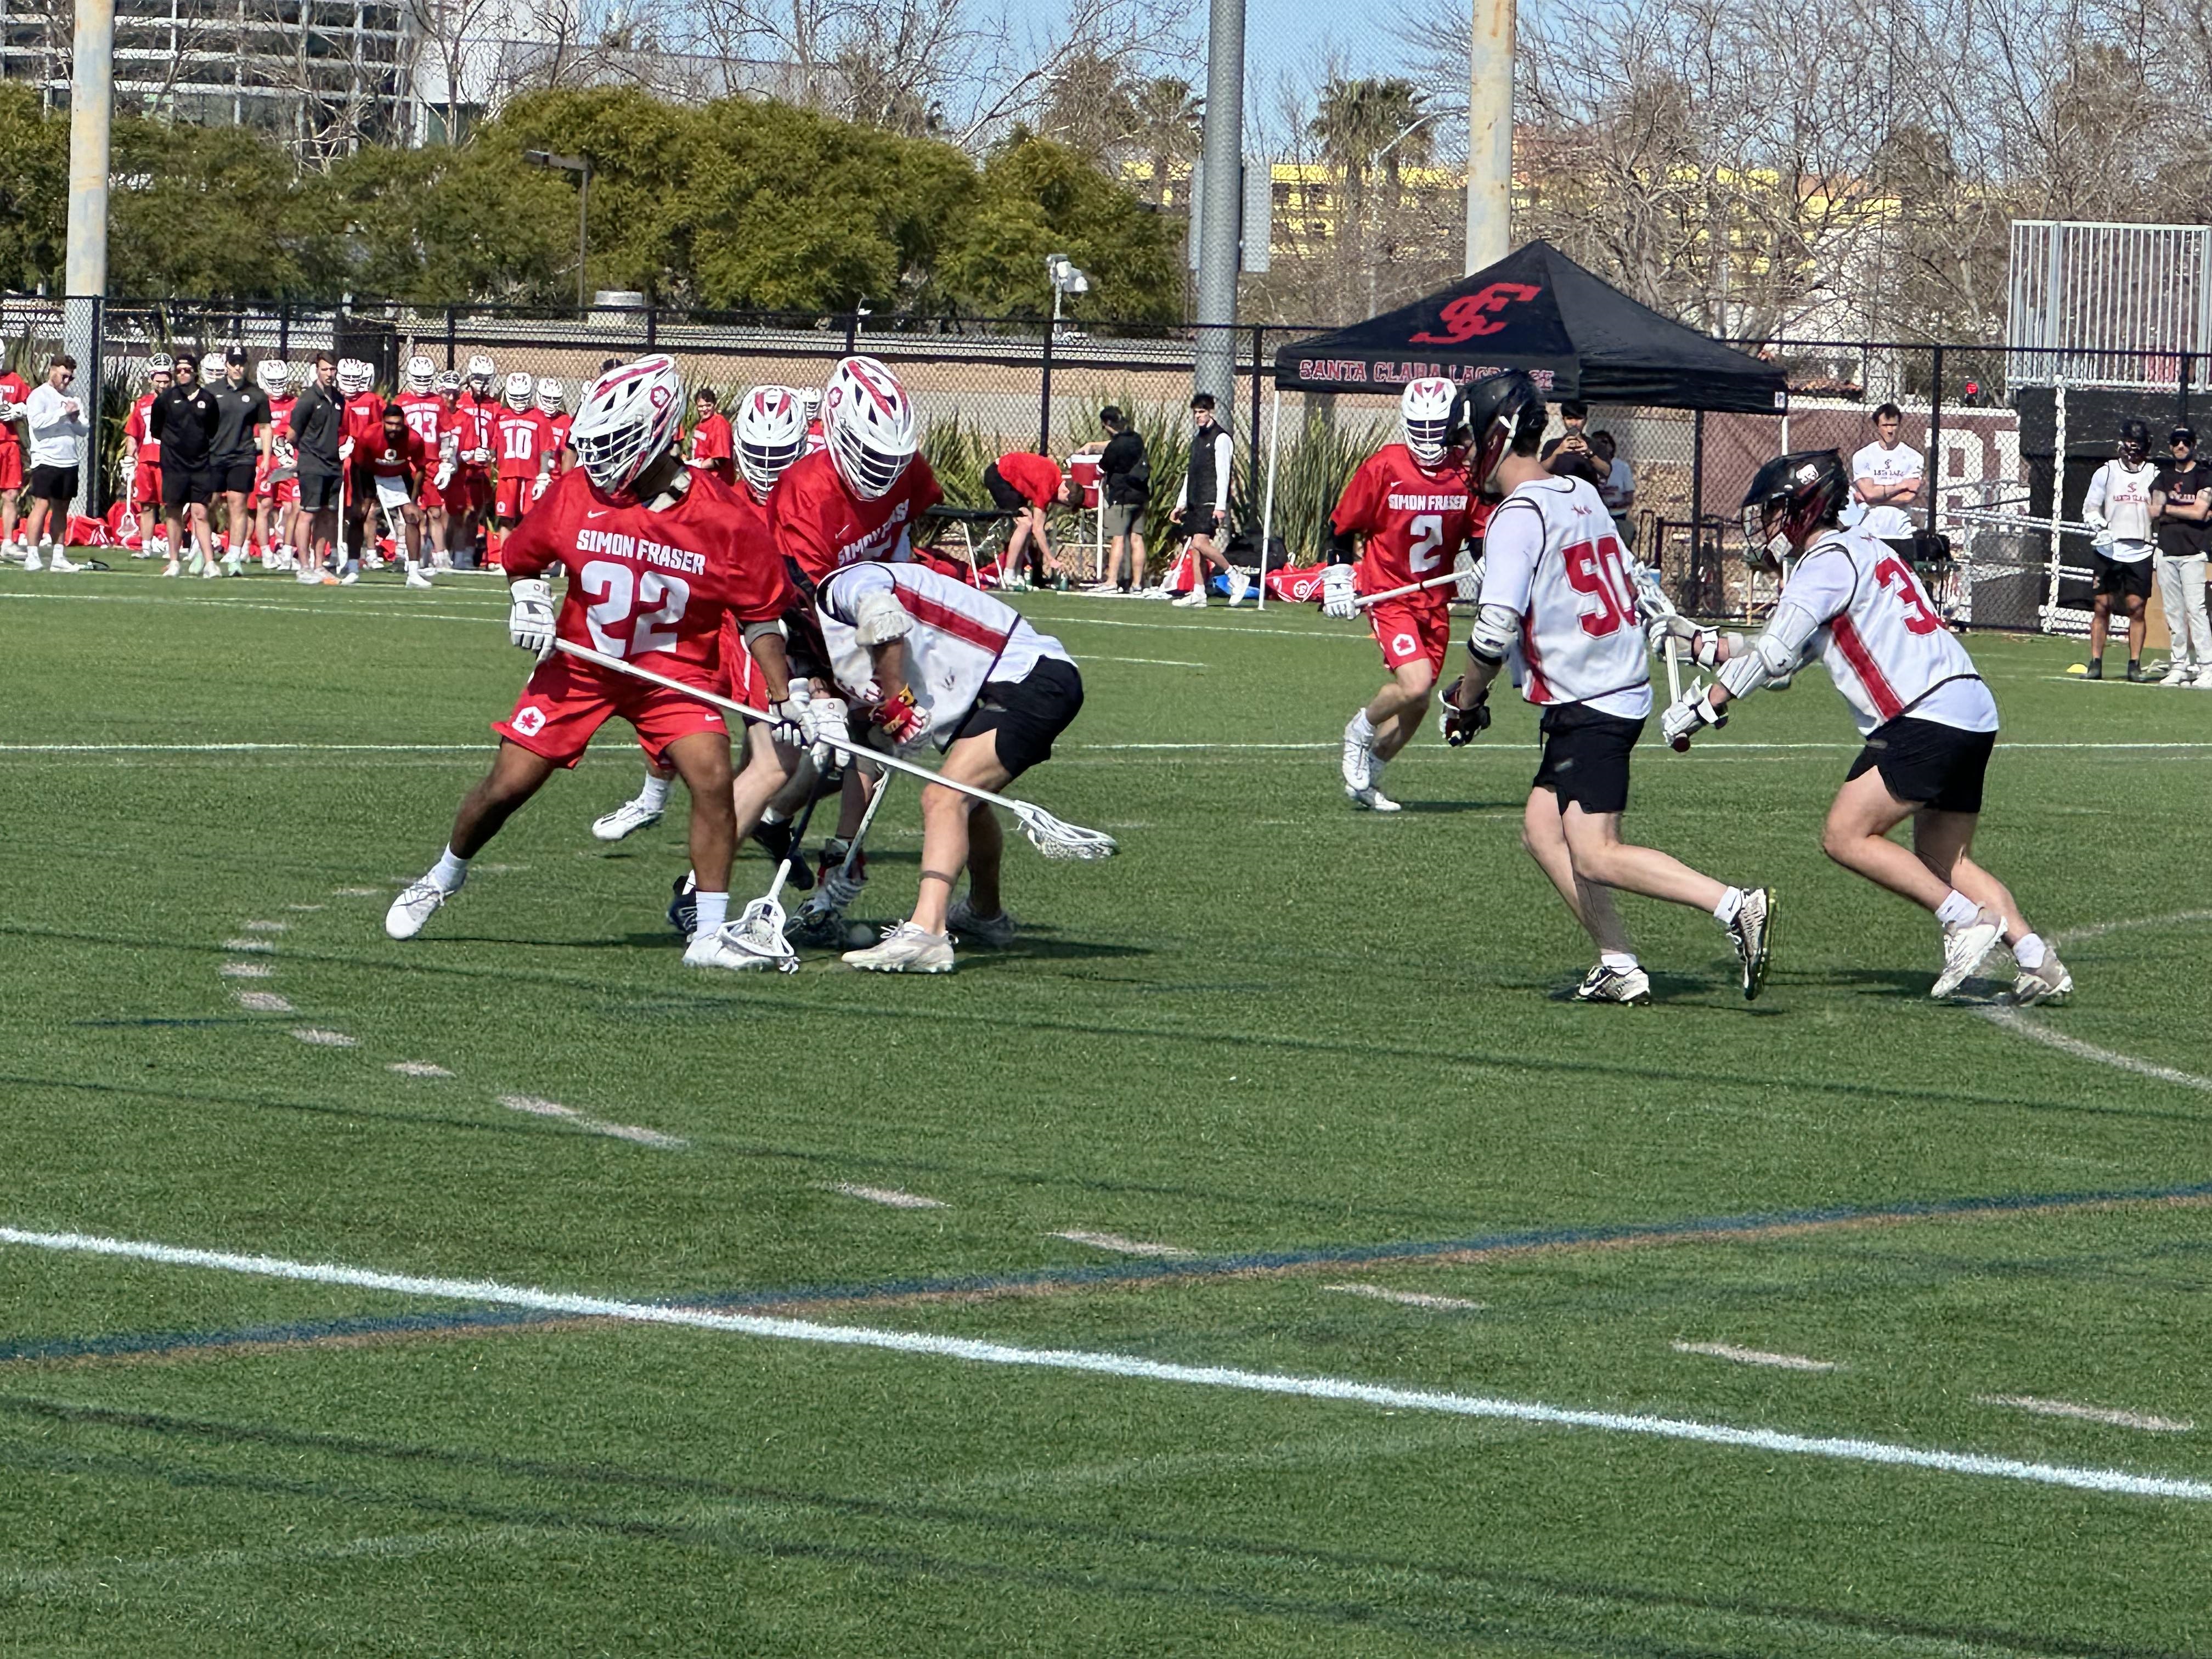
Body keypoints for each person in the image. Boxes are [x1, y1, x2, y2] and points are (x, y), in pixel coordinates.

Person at [385, 355, 799, 973]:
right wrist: (529, 602)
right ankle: (444, 875)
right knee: (508, 786)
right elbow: (524, 558)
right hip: (583, 664)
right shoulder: (576, 492)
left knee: (713, 778)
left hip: (672, 673)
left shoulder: (724, 517)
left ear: (657, 435)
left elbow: (761, 616)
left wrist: (784, 697)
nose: (601, 458)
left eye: (616, 443)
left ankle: (708, 934)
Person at [1661, 450, 2069, 1003]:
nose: (1766, 526)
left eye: (1775, 511)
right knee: (1946, 860)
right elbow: (1788, 656)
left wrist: (1703, 706)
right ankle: (2036, 958)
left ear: (1804, 509)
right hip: (1969, 709)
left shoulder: (1825, 562)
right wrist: (1703, 645)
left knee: (1845, 834)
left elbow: (1777, 653)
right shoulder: (1865, 550)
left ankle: (1963, 921)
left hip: (1923, 713)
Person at [1435, 371, 1774, 1006]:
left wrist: (1468, 700)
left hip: (1593, 699)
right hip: (1601, 689)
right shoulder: (1580, 493)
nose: (1463, 454)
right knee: (1542, 830)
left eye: (1469, 439)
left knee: (1596, 853)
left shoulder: (1517, 515)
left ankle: (1734, 905)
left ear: (1496, 435)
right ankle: (1618, 962)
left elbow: (1494, 631)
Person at [820, 560, 1085, 973]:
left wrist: (895, 701)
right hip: (1020, 679)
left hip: (1033, 679)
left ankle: (927, 933)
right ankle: (985, 915)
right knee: (970, 804)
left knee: (944, 798)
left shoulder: (846, 586)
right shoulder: (844, 603)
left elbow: (885, 621)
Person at [594, 382, 814, 850]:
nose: (769, 464)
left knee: (776, 753)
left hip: (764, 632)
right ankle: (655, 800)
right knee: (675, 713)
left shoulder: (807, 498)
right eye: (759, 451)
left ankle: (742, 831)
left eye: (780, 452)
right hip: (710, 625)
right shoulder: (718, 496)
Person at [1323, 377, 1475, 812]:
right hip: (1390, 591)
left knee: (1419, 703)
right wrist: (1338, 575)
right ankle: (1360, 728)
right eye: (1420, 427)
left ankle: (1370, 773)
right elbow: (1342, 526)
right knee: (1416, 682)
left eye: (1436, 427)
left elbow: (1480, 533)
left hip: (1435, 598)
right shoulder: (1385, 466)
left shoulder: (1465, 473)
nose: (1428, 438)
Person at [2080, 419, 2158, 680]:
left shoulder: (2155, 475)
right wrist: (2102, 528)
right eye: (2129, 442)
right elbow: (2090, 508)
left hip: (2141, 550)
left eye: (2139, 443)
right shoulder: (2107, 472)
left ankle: (2134, 664)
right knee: (2102, 605)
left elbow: (2160, 508)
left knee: (2136, 607)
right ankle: (2096, 662)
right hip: (2109, 550)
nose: (2133, 449)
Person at [2148, 426, 2212, 687]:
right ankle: (2179, 665)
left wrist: (2170, 508)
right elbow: (2153, 511)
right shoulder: (2163, 477)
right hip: (2166, 552)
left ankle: (2207, 667)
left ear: (2194, 444)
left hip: (2193, 554)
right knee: (2173, 612)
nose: (2181, 446)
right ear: (2171, 446)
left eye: (2186, 442)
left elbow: (2200, 512)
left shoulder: (2204, 476)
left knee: (2196, 610)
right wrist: (2191, 510)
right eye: (2176, 442)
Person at [1169, 392, 1244, 607]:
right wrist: (1181, 503)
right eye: (1195, 413)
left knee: (1200, 542)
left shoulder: (1221, 438)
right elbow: (1190, 473)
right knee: (1195, 548)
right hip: (1194, 499)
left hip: (1210, 500)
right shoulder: (1197, 440)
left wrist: (1220, 506)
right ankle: (1199, 592)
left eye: (1202, 412)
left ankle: (1235, 576)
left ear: (1211, 412)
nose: (1198, 416)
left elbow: (1223, 473)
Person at [149, 352, 219, 578]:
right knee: (174, 511)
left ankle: (210, 563)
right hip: (174, 465)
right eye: (178, 371)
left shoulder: (208, 400)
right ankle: (174, 562)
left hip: (200, 464)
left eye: (187, 370)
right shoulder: (166, 399)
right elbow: (156, 429)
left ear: (195, 372)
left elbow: (212, 429)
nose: (182, 374)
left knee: (200, 512)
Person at [208, 345, 272, 577]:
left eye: (241, 363)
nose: (238, 367)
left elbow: (265, 427)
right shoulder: (212, 391)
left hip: (242, 457)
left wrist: (265, 458)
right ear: (226, 364)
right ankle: (201, 548)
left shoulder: (256, 394)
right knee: (209, 503)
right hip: (214, 456)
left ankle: (234, 555)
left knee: (238, 504)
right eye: (233, 363)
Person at [21, 354, 88, 571]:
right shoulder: (39, 395)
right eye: (64, 376)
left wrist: (75, 418)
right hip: (46, 459)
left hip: (69, 460)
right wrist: (62, 413)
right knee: (42, 504)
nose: (67, 382)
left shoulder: (73, 398)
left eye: (70, 378)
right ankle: (32, 555)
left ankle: (58, 557)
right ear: (52, 370)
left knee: (62, 508)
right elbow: (37, 423)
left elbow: (84, 430)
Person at [982, 448, 1082, 588]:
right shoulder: (1047, 486)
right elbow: (1038, 529)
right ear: (1065, 490)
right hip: (999, 477)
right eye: (1065, 502)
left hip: (1011, 483)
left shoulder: (1055, 479)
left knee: (1027, 524)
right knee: (1026, 524)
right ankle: (1008, 575)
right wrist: (1051, 560)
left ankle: (1017, 573)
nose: (1060, 504)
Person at [285, 353, 345, 584]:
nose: (330, 374)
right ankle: (304, 567)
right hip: (312, 464)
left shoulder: (339, 399)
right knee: (307, 513)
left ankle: (320, 565)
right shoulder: (308, 398)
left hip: (332, 464)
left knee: (326, 515)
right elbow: (292, 434)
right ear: (316, 371)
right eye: (325, 369)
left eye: (333, 369)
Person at [1077, 406, 1148, 593]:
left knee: (1118, 538)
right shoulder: (1136, 439)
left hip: (1122, 496)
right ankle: (1137, 584)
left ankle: (1111, 581)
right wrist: (1093, 445)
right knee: (1137, 539)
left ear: (1107, 424)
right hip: (1140, 495)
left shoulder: (1115, 447)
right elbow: (1115, 444)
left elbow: (1101, 469)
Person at [364, 404, 435, 588]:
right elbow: (359, 464)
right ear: (383, 422)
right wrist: (365, 493)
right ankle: (353, 566)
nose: (394, 428)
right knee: (362, 513)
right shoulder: (370, 435)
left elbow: (420, 468)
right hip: (372, 472)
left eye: (397, 424)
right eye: (389, 424)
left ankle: (413, 572)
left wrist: (413, 497)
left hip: (397, 475)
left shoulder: (413, 439)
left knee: (412, 516)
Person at [443, 358, 499, 567]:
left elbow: (497, 435)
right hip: (460, 462)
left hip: (481, 465)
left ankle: (467, 553)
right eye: (477, 378)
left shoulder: (494, 406)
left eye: (486, 379)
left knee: (475, 511)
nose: (481, 383)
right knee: (454, 511)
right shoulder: (461, 402)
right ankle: (448, 552)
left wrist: (491, 453)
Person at [393, 357, 447, 569]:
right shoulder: (401, 402)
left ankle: (441, 557)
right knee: (409, 511)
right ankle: (404, 554)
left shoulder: (438, 402)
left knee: (435, 512)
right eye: (419, 378)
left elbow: (447, 434)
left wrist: (447, 462)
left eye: (427, 378)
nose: (423, 382)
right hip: (409, 462)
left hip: (432, 462)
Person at [1850, 403, 1923, 554]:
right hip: (1870, 532)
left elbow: (1908, 497)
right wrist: (1901, 485)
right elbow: (1869, 493)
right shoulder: (1863, 456)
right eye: (1885, 425)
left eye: (1894, 425)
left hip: (1901, 533)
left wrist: (1873, 497)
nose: (1890, 430)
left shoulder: (1913, 457)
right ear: (1877, 426)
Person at [336, 359, 386, 581]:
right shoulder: (334, 400)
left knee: (369, 508)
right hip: (341, 459)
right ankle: (340, 552)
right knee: (341, 509)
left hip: (365, 460)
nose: (352, 384)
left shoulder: (372, 400)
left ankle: (372, 552)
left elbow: (380, 428)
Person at [122, 354, 172, 562]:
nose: (161, 385)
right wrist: (129, 459)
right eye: (158, 380)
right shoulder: (142, 404)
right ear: (151, 379)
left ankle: (172, 545)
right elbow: (133, 434)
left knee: (172, 505)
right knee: (147, 506)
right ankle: (146, 547)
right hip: (146, 461)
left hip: (169, 461)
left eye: (165, 381)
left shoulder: (178, 402)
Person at [490, 372, 551, 544]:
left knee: (529, 518)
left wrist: (543, 476)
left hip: (530, 476)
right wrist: (487, 456)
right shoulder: (501, 416)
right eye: (515, 397)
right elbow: (494, 446)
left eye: (523, 397)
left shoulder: (539, 417)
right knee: (506, 518)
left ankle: (525, 558)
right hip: (506, 475)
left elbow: (546, 450)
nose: (519, 402)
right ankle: (505, 559)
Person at [253, 359, 299, 571]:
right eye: (273, 381)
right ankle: (265, 552)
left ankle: (287, 549)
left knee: (292, 508)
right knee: (264, 507)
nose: (277, 386)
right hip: (266, 461)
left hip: (288, 462)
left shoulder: (295, 403)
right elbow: (252, 435)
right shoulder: (257, 402)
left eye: (280, 381)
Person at [0, 359, 27, 556]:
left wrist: (20, 410)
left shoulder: (15, 380)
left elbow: (33, 403)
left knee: (11, 494)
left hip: (9, 442)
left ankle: (8, 542)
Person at [1592, 430, 1636, 548]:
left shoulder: (1622, 467)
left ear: (1612, 446)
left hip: (1617, 516)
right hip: (1593, 516)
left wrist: (1613, 505)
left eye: (1605, 442)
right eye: (1596, 443)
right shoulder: (1587, 466)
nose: (1601, 446)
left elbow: (1629, 498)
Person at [686, 387, 735, 485]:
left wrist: (699, 465)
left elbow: (720, 460)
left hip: (716, 481)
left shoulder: (719, 424)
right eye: (701, 406)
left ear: (715, 405)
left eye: (708, 405)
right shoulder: (702, 423)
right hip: (701, 475)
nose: (704, 409)